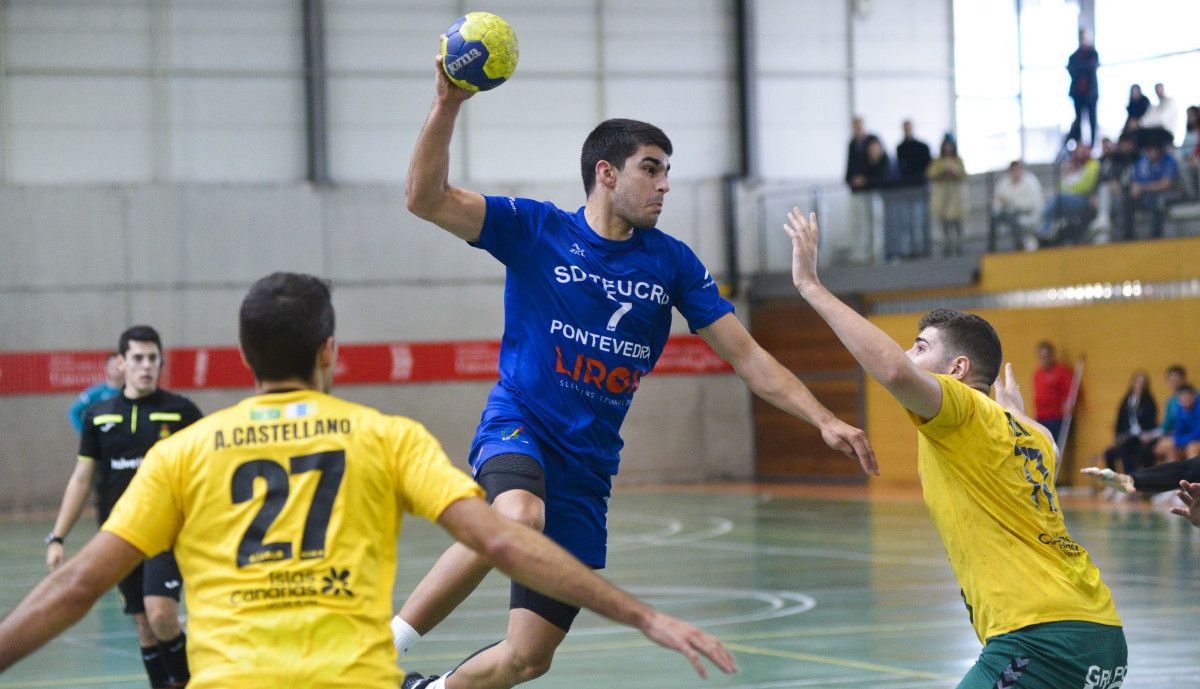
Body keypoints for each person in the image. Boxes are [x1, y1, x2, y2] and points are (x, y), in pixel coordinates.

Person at [0, 273, 739, 688]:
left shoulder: (186, 451)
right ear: (331, 352)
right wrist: (645, 616)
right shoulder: (386, 438)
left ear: (245, 355)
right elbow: (509, 543)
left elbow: (75, 588)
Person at [395, 54, 876, 689]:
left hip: (588, 469)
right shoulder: (535, 229)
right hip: (521, 428)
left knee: (527, 658)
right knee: (515, 517)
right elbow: (423, 198)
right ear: (605, 172)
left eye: (668, 172)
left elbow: (749, 357)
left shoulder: (671, 263)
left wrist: (822, 417)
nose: (664, 185)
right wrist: (448, 103)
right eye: (651, 169)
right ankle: (377, 649)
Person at [783, 208, 1126, 688]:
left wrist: (810, 287)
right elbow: (1038, 433)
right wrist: (1015, 410)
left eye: (921, 346)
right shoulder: (1035, 438)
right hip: (1099, 631)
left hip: (1040, 638)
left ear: (959, 370)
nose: (909, 355)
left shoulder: (961, 410)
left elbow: (895, 372)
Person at [45, 326, 200, 689]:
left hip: (167, 533)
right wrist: (58, 537)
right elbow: (82, 478)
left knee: (161, 613)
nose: (145, 366)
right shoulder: (98, 415)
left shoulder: (182, 412)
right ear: (121, 363)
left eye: (152, 358)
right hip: (120, 535)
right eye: (137, 358)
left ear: (161, 362)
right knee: (145, 627)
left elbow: (207, 469)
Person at [1039, 144, 1099, 245]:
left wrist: (1070, 189)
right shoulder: (1074, 167)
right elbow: (1060, 187)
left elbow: (1085, 186)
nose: (1080, 155)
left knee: (1059, 198)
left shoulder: (1093, 165)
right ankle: (1048, 228)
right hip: (1068, 199)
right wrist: (1069, 174)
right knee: (1056, 198)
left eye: (1082, 152)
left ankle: (1046, 226)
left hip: (1083, 199)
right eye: (1078, 152)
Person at [1100, 370, 1157, 476]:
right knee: (1109, 453)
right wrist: (1117, 436)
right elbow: (1120, 421)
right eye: (1137, 382)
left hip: (1141, 438)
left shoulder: (1149, 401)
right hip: (1127, 436)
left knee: (1134, 451)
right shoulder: (1126, 400)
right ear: (1133, 383)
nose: (1140, 385)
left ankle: (1130, 478)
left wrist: (1146, 434)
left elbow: (1151, 422)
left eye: (1142, 383)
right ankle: (1114, 481)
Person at [892, 119, 932, 259]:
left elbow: (927, 165)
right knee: (906, 222)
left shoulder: (921, 147)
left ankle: (921, 249)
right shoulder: (900, 148)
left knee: (919, 220)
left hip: (919, 189)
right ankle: (909, 250)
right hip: (906, 190)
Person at [1125, 140, 1178, 239]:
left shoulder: (1169, 161)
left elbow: (1166, 184)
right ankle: (1128, 236)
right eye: (1149, 150)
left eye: (1154, 150)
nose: (1152, 153)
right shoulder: (1142, 161)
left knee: (1158, 201)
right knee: (1127, 201)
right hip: (1145, 195)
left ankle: (1156, 237)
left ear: (1160, 151)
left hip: (1167, 194)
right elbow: (1134, 182)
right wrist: (1135, 188)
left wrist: (1143, 187)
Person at [926, 135, 968, 256]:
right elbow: (931, 174)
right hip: (942, 196)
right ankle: (947, 248)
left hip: (956, 196)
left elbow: (964, 175)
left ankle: (960, 247)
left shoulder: (958, 160)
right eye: (946, 146)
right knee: (944, 224)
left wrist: (955, 171)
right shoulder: (938, 161)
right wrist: (943, 171)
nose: (948, 148)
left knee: (958, 223)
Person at [989, 160, 1043, 252]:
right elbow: (997, 202)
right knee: (994, 218)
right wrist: (1001, 205)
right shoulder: (1003, 183)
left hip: (1024, 213)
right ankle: (991, 249)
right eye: (1013, 170)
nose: (1015, 172)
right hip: (1006, 213)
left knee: (1014, 219)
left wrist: (1011, 202)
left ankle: (1019, 248)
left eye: (1017, 169)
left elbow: (1030, 203)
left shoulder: (1029, 183)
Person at [67, 352, 122, 434]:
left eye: (119, 366)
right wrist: (86, 436)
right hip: (102, 442)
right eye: (113, 367)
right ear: (106, 368)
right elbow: (73, 412)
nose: (117, 369)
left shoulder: (132, 392)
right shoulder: (95, 392)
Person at [1031, 341, 1074, 446]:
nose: (1044, 360)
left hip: (1055, 418)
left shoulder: (1061, 371)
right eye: (1041, 357)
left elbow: (1070, 390)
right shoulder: (1038, 374)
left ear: (1051, 355)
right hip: (1041, 417)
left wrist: (1068, 404)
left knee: (1053, 447)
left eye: (1046, 356)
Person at [1065, 28, 1100, 147]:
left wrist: (1080, 69)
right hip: (1078, 94)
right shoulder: (1073, 56)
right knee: (1078, 120)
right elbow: (1072, 69)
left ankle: (1093, 146)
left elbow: (1090, 67)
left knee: (1092, 120)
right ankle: (1079, 144)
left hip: (1091, 95)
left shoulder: (1093, 54)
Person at [1153, 365, 1189, 463]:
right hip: (1177, 436)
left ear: (1183, 380)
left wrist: (1175, 439)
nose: (1175, 383)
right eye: (1172, 380)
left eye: (1177, 380)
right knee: (1164, 450)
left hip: (1190, 437)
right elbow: (1166, 425)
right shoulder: (1170, 401)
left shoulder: (1194, 397)